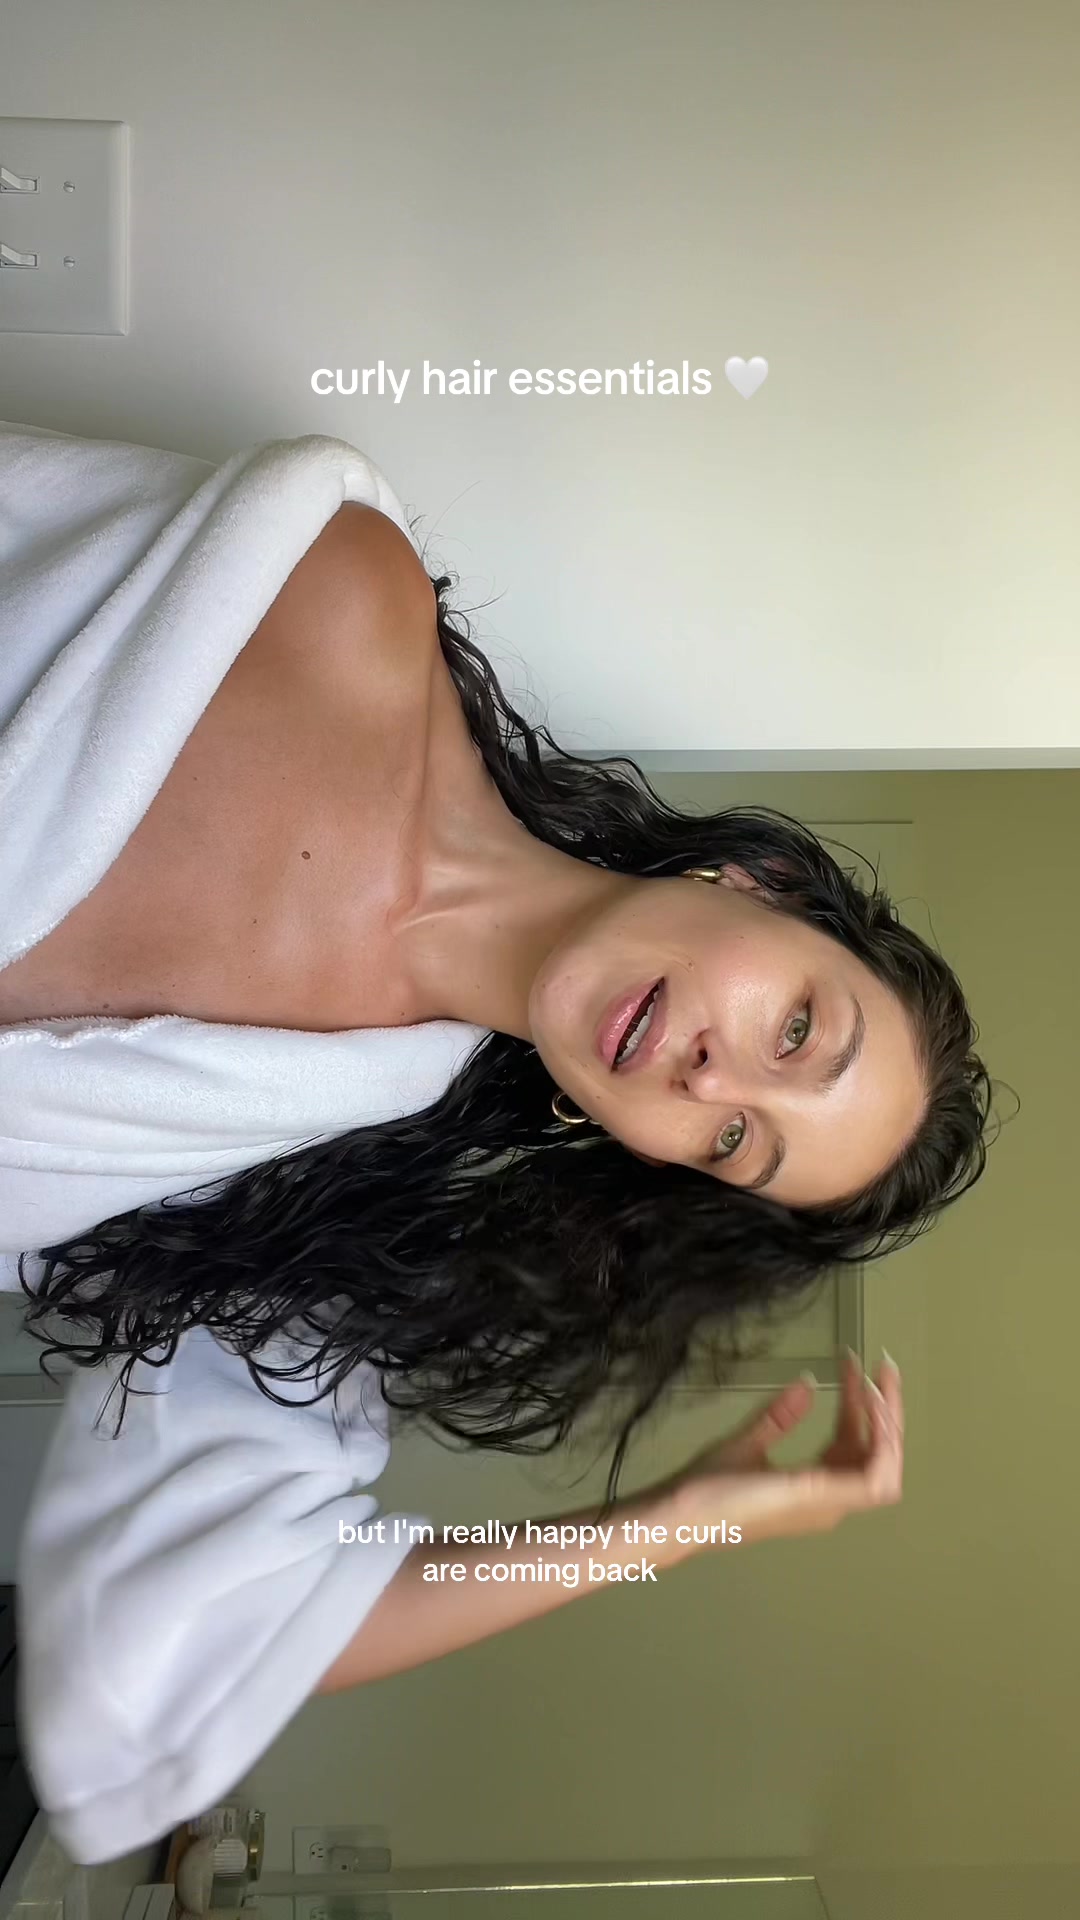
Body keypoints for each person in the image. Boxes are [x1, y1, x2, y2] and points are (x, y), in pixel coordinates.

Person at [0, 422, 989, 1860]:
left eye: (733, 1139)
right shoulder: (334, 596)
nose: (715, 1077)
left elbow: (202, 1636)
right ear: (759, 883)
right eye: (795, 1029)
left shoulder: (316, 1197)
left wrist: (687, 1517)